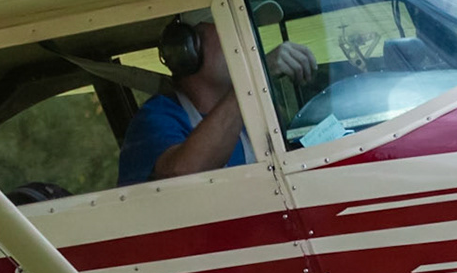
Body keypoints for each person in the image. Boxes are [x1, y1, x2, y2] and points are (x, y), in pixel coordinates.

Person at [117, 16, 314, 185]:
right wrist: (252, 77)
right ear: (186, 48)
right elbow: (182, 176)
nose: (245, 41)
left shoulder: (250, 115)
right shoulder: (155, 118)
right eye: (229, 29)